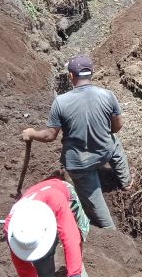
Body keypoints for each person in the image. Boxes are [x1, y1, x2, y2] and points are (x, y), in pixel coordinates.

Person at [21, 55, 131, 229]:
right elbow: (117, 127)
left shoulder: (61, 102)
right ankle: (126, 182)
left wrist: (32, 133)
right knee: (114, 141)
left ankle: (111, 232)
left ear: (71, 76)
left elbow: (50, 136)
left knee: (96, 205)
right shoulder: (108, 95)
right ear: (91, 74)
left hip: (80, 164)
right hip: (105, 152)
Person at [6, 177, 90, 277]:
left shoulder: (55, 199)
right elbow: (22, 266)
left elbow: (70, 236)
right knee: (41, 255)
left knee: (78, 230)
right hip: (37, 197)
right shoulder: (12, 230)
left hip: (61, 191)